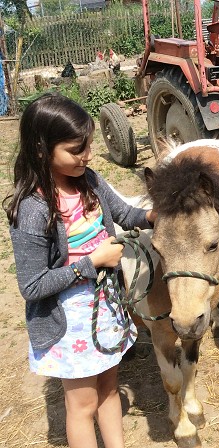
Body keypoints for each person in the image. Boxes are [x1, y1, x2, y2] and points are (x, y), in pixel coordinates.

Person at [3, 93, 156, 448]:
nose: (86, 156)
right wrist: (92, 263)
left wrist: (157, 215)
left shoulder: (89, 180)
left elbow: (125, 214)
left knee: (108, 389)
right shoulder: (33, 208)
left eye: (88, 145)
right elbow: (32, 285)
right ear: (42, 149)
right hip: (69, 318)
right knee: (82, 404)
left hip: (107, 306)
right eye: (76, 149)